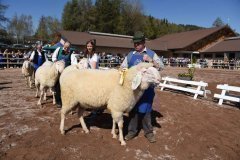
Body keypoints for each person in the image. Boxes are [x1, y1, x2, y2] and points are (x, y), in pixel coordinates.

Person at [121, 31, 164, 143]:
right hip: (133, 89)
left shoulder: (151, 53)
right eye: (134, 43)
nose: (136, 45)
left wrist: (151, 61)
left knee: (146, 110)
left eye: (138, 43)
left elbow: (161, 66)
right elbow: (122, 68)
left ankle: (148, 132)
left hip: (147, 89)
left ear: (144, 42)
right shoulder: (130, 55)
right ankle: (132, 131)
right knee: (133, 110)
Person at [52, 41, 77, 108]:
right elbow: (54, 57)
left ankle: (67, 101)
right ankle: (58, 102)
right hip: (58, 72)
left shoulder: (72, 53)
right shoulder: (58, 49)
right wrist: (56, 62)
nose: (66, 49)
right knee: (58, 86)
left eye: (68, 48)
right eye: (65, 47)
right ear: (64, 46)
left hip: (67, 73)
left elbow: (74, 63)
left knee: (67, 88)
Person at [83, 39, 103, 118]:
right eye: (88, 46)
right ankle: (94, 108)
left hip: (94, 76)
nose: (89, 47)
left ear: (93, 47)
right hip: (89, 75)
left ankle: (96, 110)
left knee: (95, 93)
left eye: (90, 46)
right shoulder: (87, 54)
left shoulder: (95, 56)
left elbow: (93, 69)